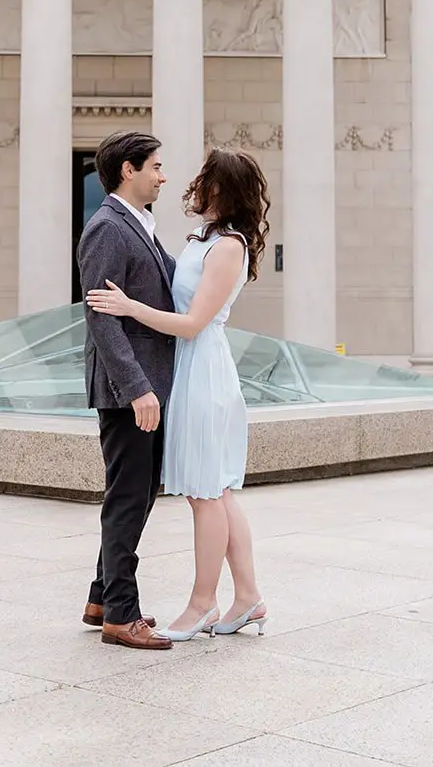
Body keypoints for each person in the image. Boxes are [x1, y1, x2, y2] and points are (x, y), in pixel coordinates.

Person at [86, 147, 271, 641]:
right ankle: (248, 595)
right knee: (215, 489)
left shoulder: (229, 245)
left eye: (203, 177)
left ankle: (203, 603)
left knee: (206, 491)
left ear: (220, 187)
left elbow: (191, 323)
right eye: (160, 168)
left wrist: (128, 306)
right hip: (185, 369)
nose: (182, 181)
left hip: (202, 366)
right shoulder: (201, 238)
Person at [77, 131, 178, 650]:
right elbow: (101, 318)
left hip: (145, 383)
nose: (163, 175)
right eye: (156, 166)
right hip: (128, 389)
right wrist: (137, 387)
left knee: (137, 496)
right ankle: (121, 614)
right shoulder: (107, 229)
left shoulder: (140, 225)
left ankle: (101, 597)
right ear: (128, 170)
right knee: (128, 498)